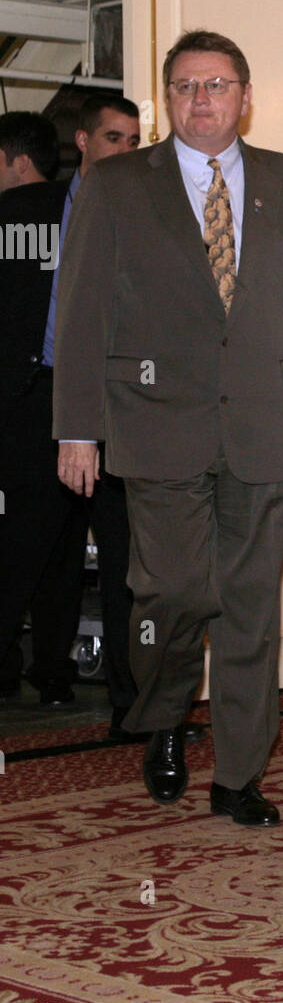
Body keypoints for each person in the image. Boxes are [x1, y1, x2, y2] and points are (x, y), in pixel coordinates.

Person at [54, 31, 283, 825]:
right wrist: (76, 430)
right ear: (169, 100)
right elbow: (83, 311)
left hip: (263, 428)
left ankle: (238, 772)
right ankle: (162, 718)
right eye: (187, 87)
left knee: (250, 609)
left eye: (218, 85)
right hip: (156, 428)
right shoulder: (119, 184)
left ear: (245, 97)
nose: (203, 100)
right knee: (175, 591)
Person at [46, 96, 143, 735]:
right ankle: (45, 677)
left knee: (123, 565)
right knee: (43, 554)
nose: (125, 152)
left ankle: (131, 704)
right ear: (83, 140)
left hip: (120, 413)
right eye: (113, 137)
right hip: (39, 406)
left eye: (135, 141)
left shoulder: (142, 211)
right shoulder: (38, 212)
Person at [0, 111, 70, 703]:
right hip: (74, 406)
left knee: (18, 544)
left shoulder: (5, 217)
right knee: (61, 545)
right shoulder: (82, 210)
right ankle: (54, 667)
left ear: (17, 161)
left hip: (15, 409)